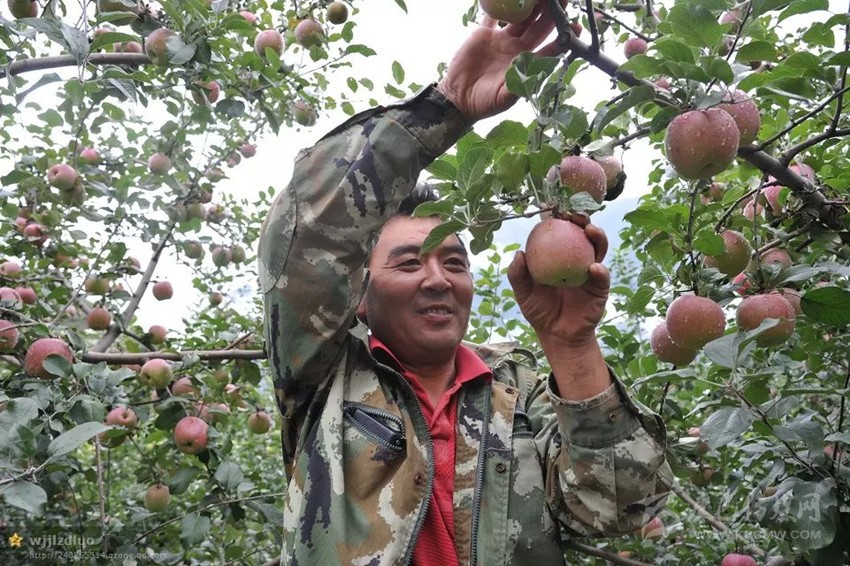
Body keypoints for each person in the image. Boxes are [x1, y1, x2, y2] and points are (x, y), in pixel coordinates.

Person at [258, 4, 671, 564]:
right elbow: (305, 228)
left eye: (454, 262)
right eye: (409, 263)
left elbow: (619, 507)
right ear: (360, 294)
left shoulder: (519, 393)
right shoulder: (325, 380)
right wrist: (447, 104)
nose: (438, 279)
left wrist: (572, 346)